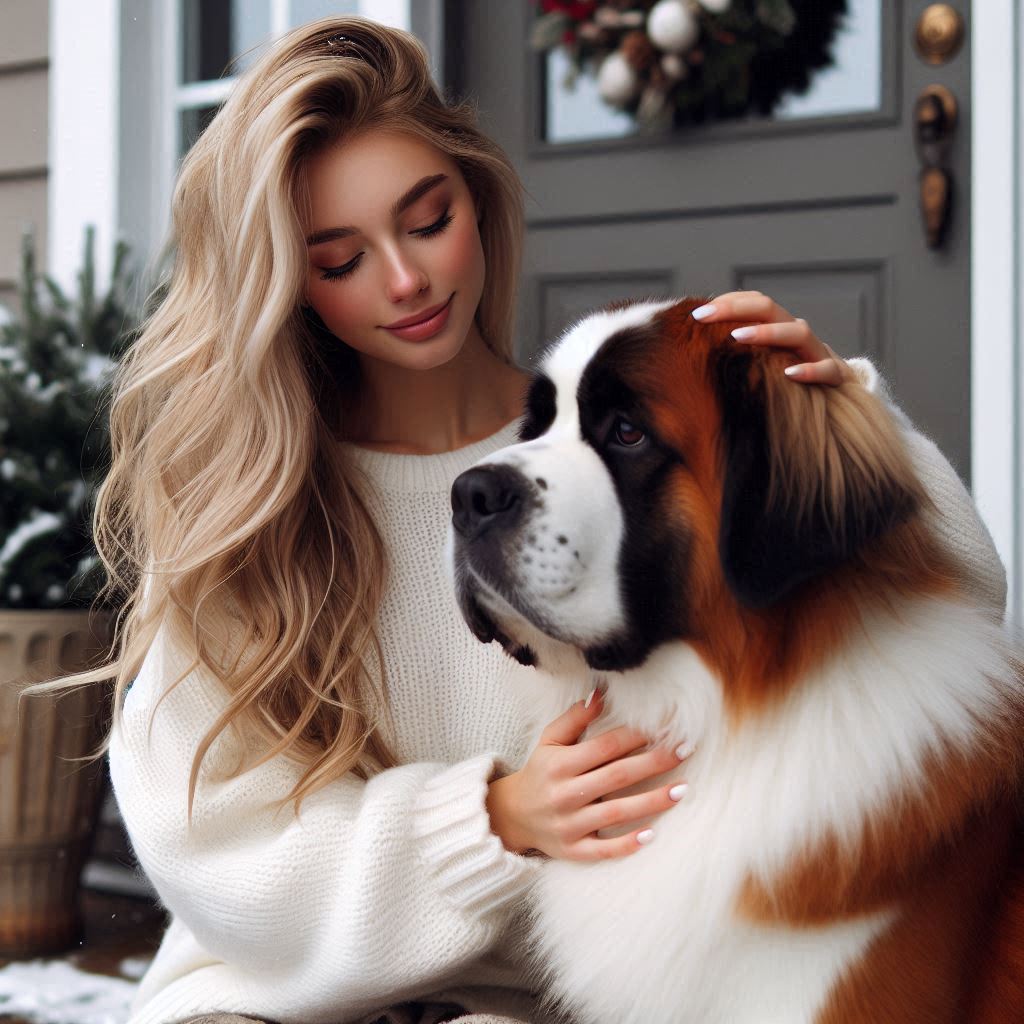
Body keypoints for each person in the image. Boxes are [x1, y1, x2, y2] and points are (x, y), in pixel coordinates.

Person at [87, 16, 1005, 1024]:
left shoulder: (607, 448)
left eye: (426, 219)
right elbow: (217, 858)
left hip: (533, 1004)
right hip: (268, 998)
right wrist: (493, 821)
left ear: (476, 200)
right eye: (341, 259)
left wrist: (836, 406)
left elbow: (951, 600)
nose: (406, 280)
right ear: (287, 285)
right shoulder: (250, 510)